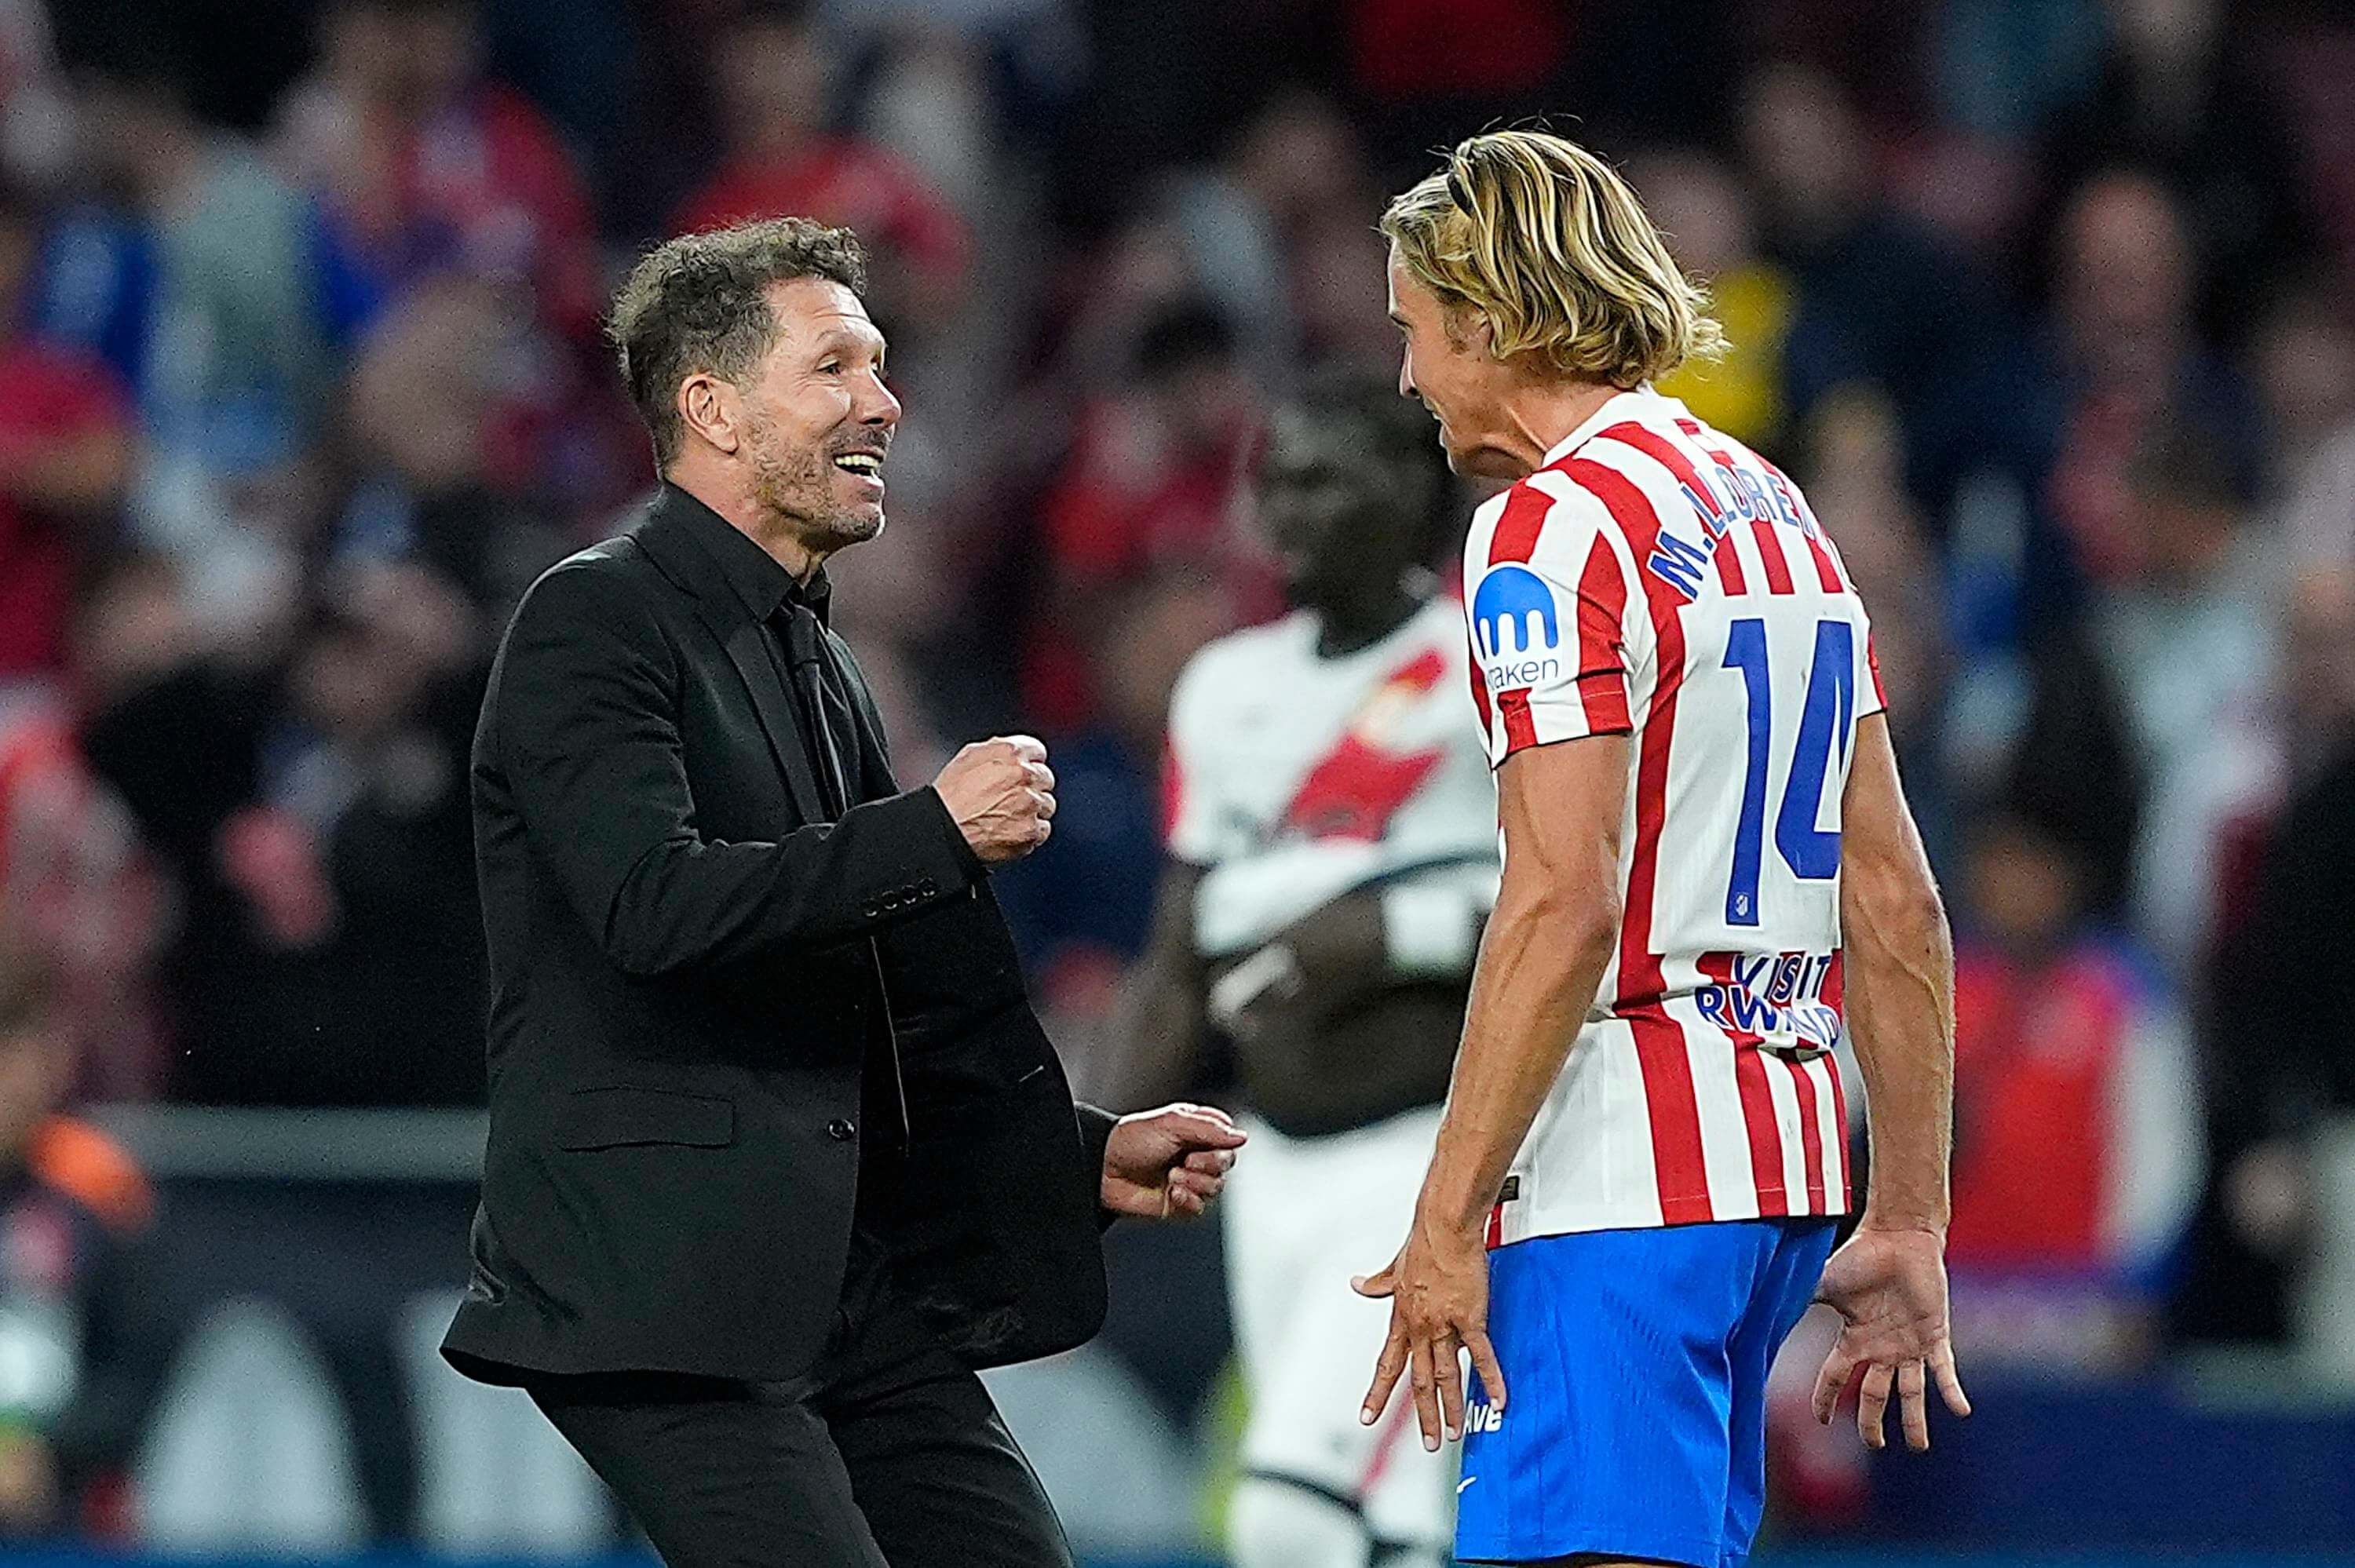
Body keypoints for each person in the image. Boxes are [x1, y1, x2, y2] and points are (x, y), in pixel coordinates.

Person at [440, 217, 1245, 1568]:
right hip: (662, 1289)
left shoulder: (823, 664)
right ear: (713, 408)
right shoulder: (593, 620)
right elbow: (655, 906)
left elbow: (875, 999)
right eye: (837, 367)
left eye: (878, 365)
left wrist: (1076, 1151)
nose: (885, 401)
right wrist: (930, 830)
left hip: (839, 1280)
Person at [1356, 131, 1970, 1568]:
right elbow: (1895, 899)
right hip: (1778, 1176)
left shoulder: (1542, 531)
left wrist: (1447, 1222)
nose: (1407, 377)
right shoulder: (1772, 506)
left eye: (1416, 331)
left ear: (1494, 317)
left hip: (1615, 1175)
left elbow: (1561, 901)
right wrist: (1912, 1216)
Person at [1108, 374, 1498, 1568]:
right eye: (1273, 477)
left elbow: (1575, 913)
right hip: (1270, 1163)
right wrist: (1093, 1145)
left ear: (1415, 493)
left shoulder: (1485, 664)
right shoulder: (1226, 689)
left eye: (1324, 477)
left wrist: (1382, 936)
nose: (1283, 505)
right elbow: (1177, 954)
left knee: (1286, 1506)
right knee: (1392, 1530)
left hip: (1423, 1156)